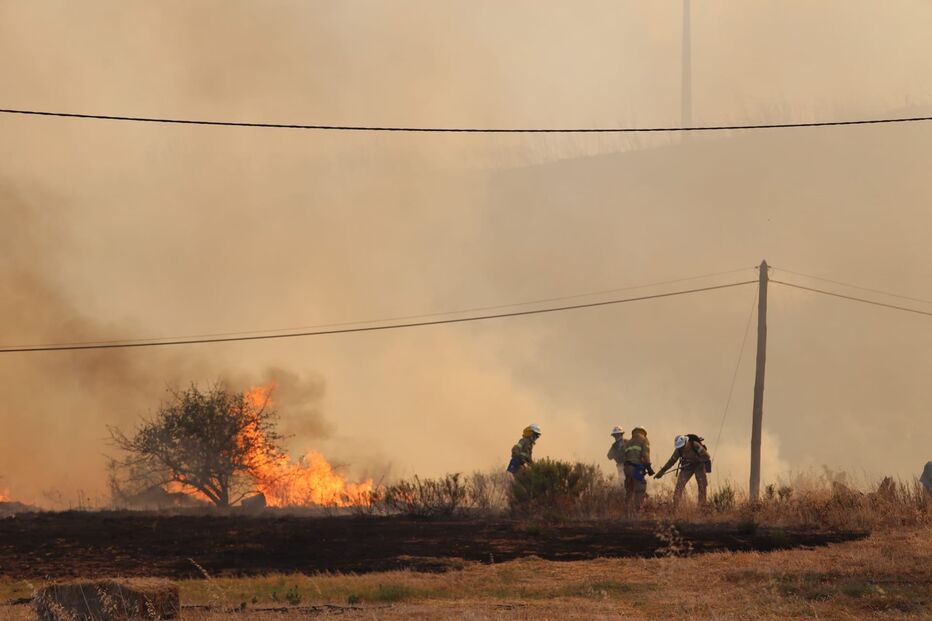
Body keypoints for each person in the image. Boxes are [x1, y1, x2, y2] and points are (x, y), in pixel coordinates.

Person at [655, 434, 712, 509]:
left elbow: (706, 456)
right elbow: (672, 461)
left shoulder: (695, 445)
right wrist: (662, 471)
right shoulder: (678, 449)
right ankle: (675, 507)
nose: (681, 448)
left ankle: (702, 507)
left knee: (702, 485)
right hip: (687, 466)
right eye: (679, 447)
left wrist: (697, 460)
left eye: (682, 447)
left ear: (685, 442)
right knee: (679, 486)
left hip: (699, 466)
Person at [621, 427, 653, 515]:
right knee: (640, 489)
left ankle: (626, 513)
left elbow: (623, 456)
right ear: (644, 433)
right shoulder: (644, 440)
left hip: (627, 469)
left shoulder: (628, 442)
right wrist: (649, 467)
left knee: (629, 491)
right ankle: (637, 513)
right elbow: (645, 454)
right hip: (636, 468)